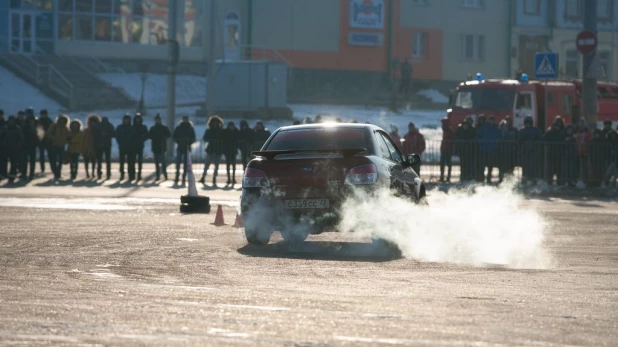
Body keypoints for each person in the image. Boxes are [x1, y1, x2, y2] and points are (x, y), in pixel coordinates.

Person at [200, 115, 224, 186]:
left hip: (217, 150)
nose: (215, 123)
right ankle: (203, 177)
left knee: (216, 166)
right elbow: (205, 138)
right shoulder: (209, 130)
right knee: (207, 165)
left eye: (216, 122)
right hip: (210, 149)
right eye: (214, 122)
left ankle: (214, 178)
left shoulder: (221, 131)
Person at [476, 115, 500, 183]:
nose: (491, 121)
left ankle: (488, 177)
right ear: (488, 120)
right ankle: (482, 177)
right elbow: (478, 136)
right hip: (484, 148)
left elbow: (499, 136)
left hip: (492, 149)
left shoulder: (495, 128)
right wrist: (480, 143)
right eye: (490, 120)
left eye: (492, 120)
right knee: (483, 164)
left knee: (490, 165)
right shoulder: (484, 127)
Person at [172, 115, 196, 185]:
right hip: (180, 147)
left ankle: (183, 177)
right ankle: (177, 177)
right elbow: (174, 136)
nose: (185, 120)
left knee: (186, 164)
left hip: (187, 148)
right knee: (178, 163)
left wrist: (188, 142)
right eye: (184, 119)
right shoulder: (179, 127)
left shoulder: (190, 128)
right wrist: (179, 141)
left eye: (186, 119)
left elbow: (193, 138)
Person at [519, 116, 542, 184]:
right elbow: (519, 140)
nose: (528, 124)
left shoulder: (536, 130)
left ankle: (533, 181)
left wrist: (534, 144)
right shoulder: (522, 131)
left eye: (529, 123)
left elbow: (540, 139)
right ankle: (525, 180)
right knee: (525, 167)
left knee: (533, 167)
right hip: (525, 152)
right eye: (527, 123)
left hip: (534, 152)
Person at [46, 114, 70, 180]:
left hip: (61, 146)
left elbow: (68, 136)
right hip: (53, 145)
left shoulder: (65, 128)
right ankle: (55, 172)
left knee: (60, 161)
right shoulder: (53, 126)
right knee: (53, 160)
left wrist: (65, 141)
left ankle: (58, 173)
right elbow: (48, 134)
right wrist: (54, 138)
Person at [0, 116, 24, 183]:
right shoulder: (5, 128)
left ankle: (12, 175)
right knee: (3, 162)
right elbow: (1, 137)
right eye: (10, 120)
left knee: (14, 162)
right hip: (5, 148)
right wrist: (3, 144)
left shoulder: (17, 128)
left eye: (12, 121)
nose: (11, 122)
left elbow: (21, 138)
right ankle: (3, 174)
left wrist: (18, 145)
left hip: (14, 148)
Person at [543, 117, 565, 185]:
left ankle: (559, 182)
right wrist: (553, 130)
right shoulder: (550, 130)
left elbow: (563, 138)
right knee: (551, 168)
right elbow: (545, 138)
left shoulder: (563, 130)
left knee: (559, 168)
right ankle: (550, 182)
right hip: (551, 152)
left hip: (560, 152)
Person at [149, 114, 171, 181]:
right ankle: (158, 176)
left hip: (162, 147)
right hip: (155, 147)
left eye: (158, 120)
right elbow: (149, 135)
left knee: (163, 163)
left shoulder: (164, 128)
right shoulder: (153, 128)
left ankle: (165, 175)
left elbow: (169, 135)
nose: (158, 121)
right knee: (157, 164)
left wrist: (163, 138)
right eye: (157, 120)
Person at [497, 116, 519, 183]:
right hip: (502, 150)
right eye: (507, 121)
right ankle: (501, 179)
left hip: (511, 150)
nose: (508, 122)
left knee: (510, 166)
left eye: (509, 121)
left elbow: (517, 138)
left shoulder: (514, 130)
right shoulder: (501, 129)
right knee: (502, 166)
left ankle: (510, 180)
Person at [116, 114, 137, 181]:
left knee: (131, 162)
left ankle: (131, 175)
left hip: (131, 147)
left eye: (127, 119)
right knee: (121, 162)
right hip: (122, 147)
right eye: (125, 119)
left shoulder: (132, 128)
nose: (126, 121)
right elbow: (117, 136)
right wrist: (120, 143)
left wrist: (133, 143)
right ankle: (122, 175)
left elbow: (135, 137)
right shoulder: (120, 127)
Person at [455, 117, 476, 182]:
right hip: (462, 150)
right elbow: (457, 138)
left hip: (469, 150)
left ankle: (468, 176)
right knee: (463, 164)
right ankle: (463, 176)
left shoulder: (471, 129)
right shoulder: (460, 129)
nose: (465, 126)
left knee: (469, 164)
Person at [21, 114, 39, 181]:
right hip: (26, 145)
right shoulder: (25, 127)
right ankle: (24, 173)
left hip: (33, 145)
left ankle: (31, 174)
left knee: (32, 161)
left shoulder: (36, 126)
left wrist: (37, 143)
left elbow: (40, 135)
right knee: (25, 160)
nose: (32, 121)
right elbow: (22, 135)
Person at [82, 114, 100, 179]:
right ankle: (87, 173)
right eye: (91, 122)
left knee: (94, 162)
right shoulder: (86, 131)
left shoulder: (98, 131)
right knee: (86, 162)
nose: (93, 124)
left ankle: (92, 173)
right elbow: (83, 140)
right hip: (86, 148)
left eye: (94, 122)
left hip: (94, 148)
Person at [575, 118, 591, 185]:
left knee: (585, 167)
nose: (582, 124)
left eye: (583, 123)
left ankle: (585, 180)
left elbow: (589, 139)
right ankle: (578, 180)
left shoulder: (588, 132)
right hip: (577, 152)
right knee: (578, 167)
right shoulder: (576, 131)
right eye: (580, 123)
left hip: (585, 152)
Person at [222, 121, 239, 186]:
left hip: (233, 150)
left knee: (233, 165)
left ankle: (233, 178)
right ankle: (229, 179)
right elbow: (223, 141)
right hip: (227, 151)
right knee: (228, 165)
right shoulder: (225, 131)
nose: (231, 127)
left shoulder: (236, 131)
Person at [133, 113, 149, 181]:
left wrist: (142, 139)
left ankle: (139, 175)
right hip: (133, 145)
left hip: (140, 145)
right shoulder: (132, 127)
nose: (137, 120)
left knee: (140, 161)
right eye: (136, 119)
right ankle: (133, 175)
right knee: (132, 161)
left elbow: (146, 135)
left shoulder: (143, 127)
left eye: (138, 119)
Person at [439, 118, 455, 182]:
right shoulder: (446, 130)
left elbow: (450, 141)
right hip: (444, 149)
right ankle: (443, 177)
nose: (442, 125)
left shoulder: (449, 130)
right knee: (443, 164)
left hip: (448, 150)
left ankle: (447, 177)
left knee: (447, 164)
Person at [37, 109, 53, 174]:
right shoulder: (40, 121)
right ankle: (42, 168)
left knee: (50, 155)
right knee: (42, 155)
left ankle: (52, 167)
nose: (43, 115)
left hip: (47, 140)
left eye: (44, 114)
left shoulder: (48, 121)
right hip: (42, 140)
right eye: (43, 114)